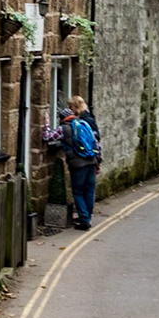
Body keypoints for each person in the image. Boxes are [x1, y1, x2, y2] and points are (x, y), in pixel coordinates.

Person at [60, 95, 102, 230]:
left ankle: (84, 219)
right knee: (89, 191)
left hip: (78, 163)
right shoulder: (86, 122)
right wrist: (98, 161)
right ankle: (87, 217)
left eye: (71, 106)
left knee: (78, 191)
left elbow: (48, 136)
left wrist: (46, 125)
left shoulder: (71, 125)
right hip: (91, 160)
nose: (70, 108)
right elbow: (96, 143)